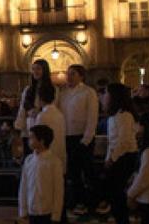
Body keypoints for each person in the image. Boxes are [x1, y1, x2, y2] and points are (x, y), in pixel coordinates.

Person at [59, 65, 98, 216]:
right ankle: (78, 201)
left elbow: (92, 117)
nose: (69, 77)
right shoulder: (63, 94)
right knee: (73, 172)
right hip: (67, 136)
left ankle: (94, 202)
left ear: (81, 76)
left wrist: (87, 139)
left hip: (82, 137)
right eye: (68, 74)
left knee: (88, 171)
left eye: (73, 74)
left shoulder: (88, 92)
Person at [102, 83, 139, 224]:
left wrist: (112, 158)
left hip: (124, 157)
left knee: (117, 193)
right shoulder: (114, 116)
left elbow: (123, 141)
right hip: (116, 156)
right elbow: (112, 141)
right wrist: (108, 157)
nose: (104, 96)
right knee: (114, 193)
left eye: (106, 93)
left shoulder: (125, 115)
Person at [18, 125, 65, 224]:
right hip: (32, 210)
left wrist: (56, 215)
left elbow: (58, 191)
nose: (29, 140)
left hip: (47, 211)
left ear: (42, 141)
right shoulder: (28, 160)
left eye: (32, 137)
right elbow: (23, 186)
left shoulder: (54, 162)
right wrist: (23, 210)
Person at [18, 60, 52, 144]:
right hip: (29, 126)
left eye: (38, 69)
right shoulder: (28, 89)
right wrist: (20, 125)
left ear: (44, 70)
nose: (35, 72)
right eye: (33, 69)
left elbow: (53, 107)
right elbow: (22, 108)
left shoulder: (53, 89)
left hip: (45, 126)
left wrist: (40, 112)